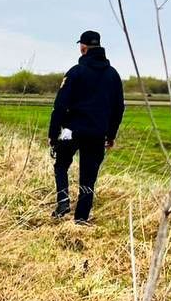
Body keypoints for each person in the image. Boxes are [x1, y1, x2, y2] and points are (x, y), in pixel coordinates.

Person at [48, 30, 124, 224]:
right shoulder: (113, 75)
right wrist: (111, 134)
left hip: (71, 131)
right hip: (97, 134)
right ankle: (81, 218)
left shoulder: (75, 72)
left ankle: (63, 200)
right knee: (89, 176)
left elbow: (60, 105)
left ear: (83, 48)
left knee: (61, 165)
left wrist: (53, 133)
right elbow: (118, 108)